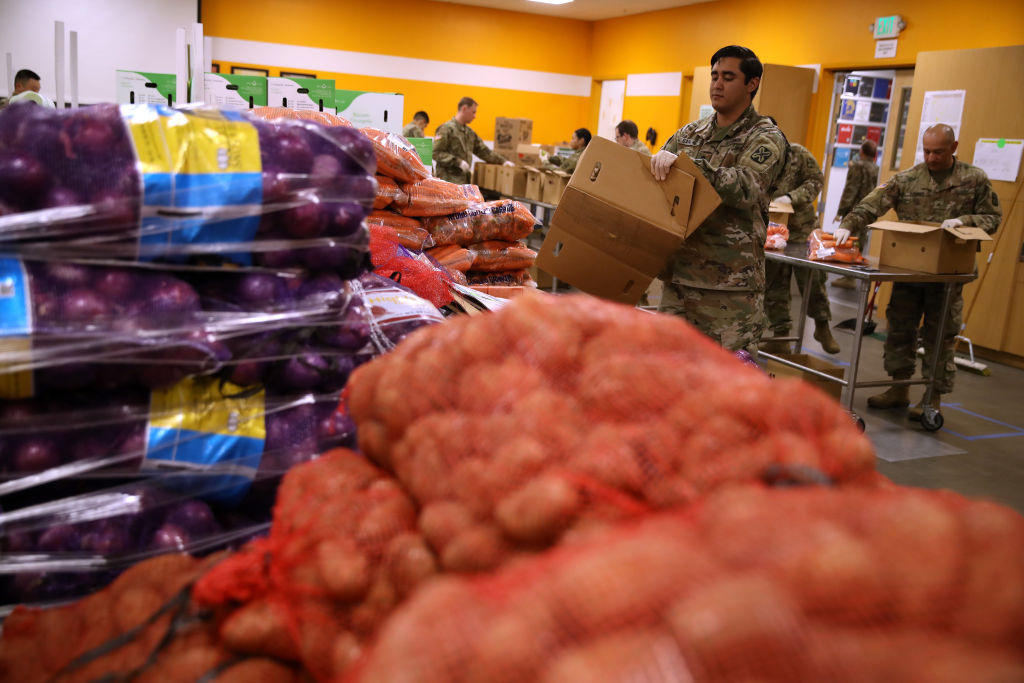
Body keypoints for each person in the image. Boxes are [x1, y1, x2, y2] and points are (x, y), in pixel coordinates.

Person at [835, 124, 1001, 419]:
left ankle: (931, 397)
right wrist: (849, 224)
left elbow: (992, 217)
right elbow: (873, 203)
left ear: (953, 147)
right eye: (926, 150)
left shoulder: (974, 179)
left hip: (948, 276)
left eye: (938, 151)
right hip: (909, 270)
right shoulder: (909, 178)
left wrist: (965, 221)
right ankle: (899, 388)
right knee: (900, 329)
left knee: (940, 335)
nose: (931, 157)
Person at [649, 45, 787, 352]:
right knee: (667, 375)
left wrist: (688, 167)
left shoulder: (764, 137)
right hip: (679, 279)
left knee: (723, 386)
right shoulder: (689, 134)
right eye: (714, 76)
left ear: (752, 84)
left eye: (728, 77)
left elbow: (747, 186)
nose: (717, 84)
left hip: (728, 290)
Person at [762, 142, 839, 354]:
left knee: (812, 282)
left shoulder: (798, 153)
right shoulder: (760, 156)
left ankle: (822, 326)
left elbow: (817, 180)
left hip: (803, 230)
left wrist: (792, 198)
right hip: (774, 231)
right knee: (774, 285)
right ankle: (781, 336)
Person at [831, 139, 879, 289]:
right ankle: (852, 274)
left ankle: (848, 277)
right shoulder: (876, 169)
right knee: (860, 243)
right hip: (868, 212)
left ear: (862, 152)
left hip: (855, 210)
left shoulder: (858, 167)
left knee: (849, 242)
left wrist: (841, 211)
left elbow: (851, 190)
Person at [433, 97, 513, 184]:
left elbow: (483, 151)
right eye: (473, 112)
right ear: (464, 108)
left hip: (463, 182)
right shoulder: (446, 129)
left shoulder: (469, 133)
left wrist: (503, 161)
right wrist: (457, 162)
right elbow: (435, 152)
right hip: (447, 182)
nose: (475, 116)